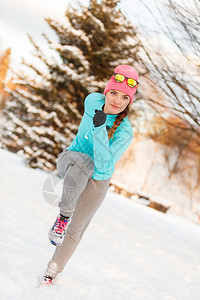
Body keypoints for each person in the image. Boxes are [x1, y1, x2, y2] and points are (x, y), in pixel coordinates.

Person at [40, 64, 139, 286]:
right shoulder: (92, 101)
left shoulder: (125, 132)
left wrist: (100, 130)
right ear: (106, 91)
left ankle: (50, 274)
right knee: (84, 161)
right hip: (71, 159)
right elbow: (88, 156)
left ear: (128, 102)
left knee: (77, 230)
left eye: (124, 97)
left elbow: (104, 164)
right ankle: (63, 217)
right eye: (113, 92)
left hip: (99, 179)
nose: (116, 100)